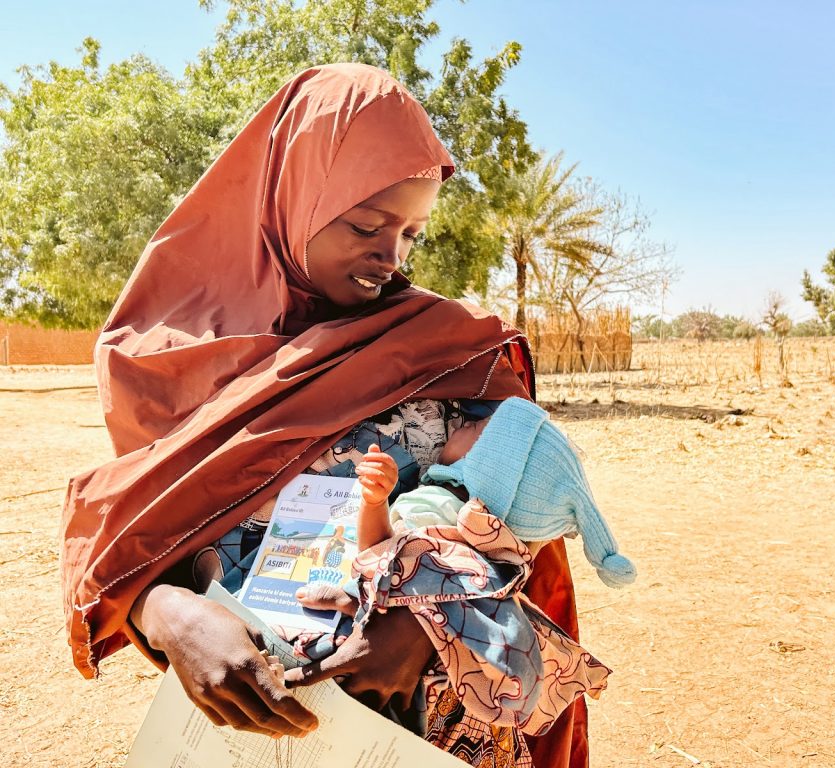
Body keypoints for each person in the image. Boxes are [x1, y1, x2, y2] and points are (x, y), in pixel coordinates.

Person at [60, 64, 590, 767]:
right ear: (291, 197)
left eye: (412, 234)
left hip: (434, 727)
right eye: (368, 225)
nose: (390, 256)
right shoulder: (157, 363)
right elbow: (134, 533)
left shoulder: (441, 344)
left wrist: (427, 622)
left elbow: (528, 502)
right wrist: (167, 615)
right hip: (259, 731)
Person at [354, 396, 637, 590]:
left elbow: (376, 553)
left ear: (481, 469)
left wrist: (375, 501)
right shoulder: (504, 553)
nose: (463, 423)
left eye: (474, 427)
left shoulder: (435, 505)